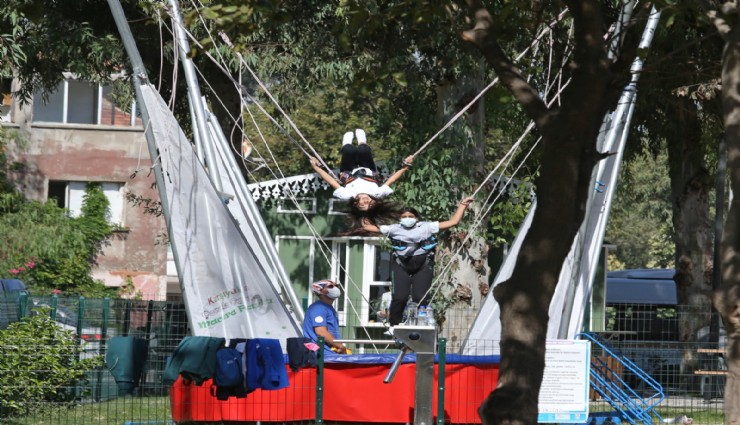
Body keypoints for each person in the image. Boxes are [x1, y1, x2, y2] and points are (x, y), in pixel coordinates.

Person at [362, 196, 474, 326]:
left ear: (416, 218)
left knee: (420, 297)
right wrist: (364, 210)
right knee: (400, 297)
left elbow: (453, 222)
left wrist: (462, 205)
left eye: (410, 216)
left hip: (423, 264)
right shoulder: (393, 229)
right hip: (401, 264)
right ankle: (394, 324)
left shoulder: (427, 227)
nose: (407, 218)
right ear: (399, 219)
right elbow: (367, 227)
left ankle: (421, 322)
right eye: (404, 216)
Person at [309, 129, 413, 233]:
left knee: (349, 151)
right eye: (370, 204)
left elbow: (332, 182)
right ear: (375, 202)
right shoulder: (378, 193)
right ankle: (362, 141)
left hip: (348, 171)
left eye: (362, 204)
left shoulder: (347, 195)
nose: (365, 200)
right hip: (368, 170)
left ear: (355, 204)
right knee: (363, 150)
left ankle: (346, 144)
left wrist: (316, 168)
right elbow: (392, 179)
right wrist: (405, 167)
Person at [302, 279, 349, 354]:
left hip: (330, 353)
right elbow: (321, 332)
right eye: (330, 286)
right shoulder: (319, 308)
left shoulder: (328, 308)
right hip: (321, 355)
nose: (335, 288)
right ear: (320, 291)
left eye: (336, 286)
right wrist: (341, 347)